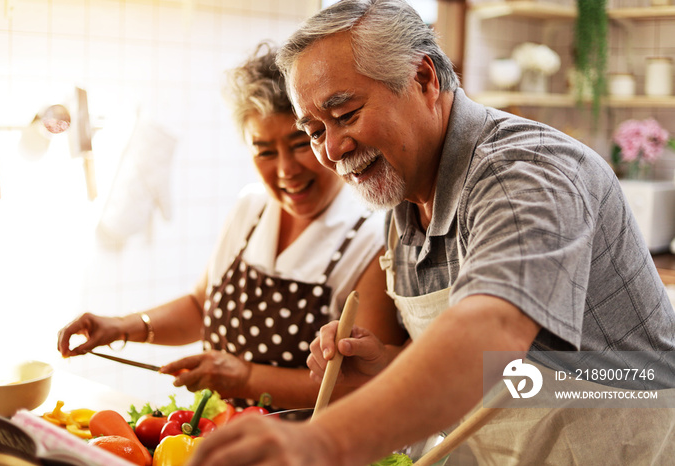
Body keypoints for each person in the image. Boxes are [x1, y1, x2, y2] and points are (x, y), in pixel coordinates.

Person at [185, 1, 675, 465]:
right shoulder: (402, 198)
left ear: (423, 78)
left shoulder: (524, 170)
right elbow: (490, 370)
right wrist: (385, 366)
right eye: (314, 131)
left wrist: (322, 441)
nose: (332, 150)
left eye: (345, 114)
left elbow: (492, 332)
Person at [57, 41, 407, 410]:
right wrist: (122, 327)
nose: (286, 170)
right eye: (265, 152)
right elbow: (200, 306)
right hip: (220, 434)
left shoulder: (372, 238)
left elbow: (362, 387)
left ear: (325, 136)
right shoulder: (251, 209)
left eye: (300, 143)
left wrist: (245, 378)